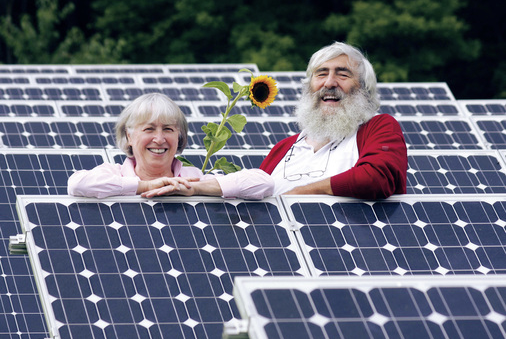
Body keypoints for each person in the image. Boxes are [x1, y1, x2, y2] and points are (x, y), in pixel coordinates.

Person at [260, 42, 407, 199]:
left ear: (364, 88)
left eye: (343, 75)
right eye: (321, 74)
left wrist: (301, 194)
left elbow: (377, 178)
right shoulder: (283, 148)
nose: (329, 83)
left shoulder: (378, 127)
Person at [68, 93, 273, 199]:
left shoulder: (194, 177)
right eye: (149, 129)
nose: (159, 139)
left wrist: (194, 189)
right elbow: (77, 185)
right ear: (129, 136)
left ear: (179, 136)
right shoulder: (114, 173)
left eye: (168, 129)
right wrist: (145, 187)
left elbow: (263, 183)